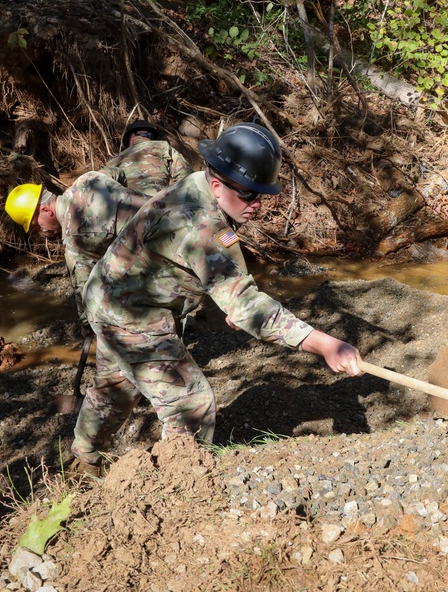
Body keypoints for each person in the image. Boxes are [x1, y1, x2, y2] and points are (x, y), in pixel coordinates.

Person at [71, 122, 363, 472]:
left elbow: (211, 267)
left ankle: (83, 460)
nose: (258, 204)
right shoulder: (201, 222)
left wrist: (226, 299)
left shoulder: (199, 189)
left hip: (109, 297)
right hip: (128, 314)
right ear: (216, 184)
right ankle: (181, 489)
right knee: (190, 404)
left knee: (116, 388)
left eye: (263, 194)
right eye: (250, 194)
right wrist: (325, 344)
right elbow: (243, 297)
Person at [4, 169, 150, 332]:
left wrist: (86, 326)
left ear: (46, 210)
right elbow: (118, 173)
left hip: (163, 246)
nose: (40, 230)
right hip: (169, 208)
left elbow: (83, 286)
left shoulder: (73, 236)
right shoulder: (86, 179)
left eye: (36, 225)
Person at [105, 119, 193, 196]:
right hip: (158, 205)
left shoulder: (115, 159)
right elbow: (187, 176)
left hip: (127, 208)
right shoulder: (163, 146)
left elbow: (103, 188)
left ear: (131, 139)